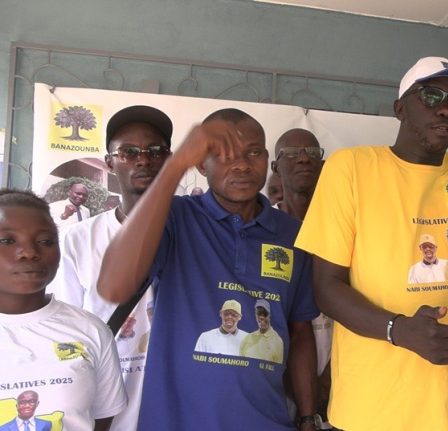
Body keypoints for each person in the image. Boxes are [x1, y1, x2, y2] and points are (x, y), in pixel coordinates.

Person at [295, 56, 448, 431]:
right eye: (432, 96)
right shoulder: (350, 169)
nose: (447, 109)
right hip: (371, 410)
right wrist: (398, 329)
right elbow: (326, 288)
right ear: (400, 109)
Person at [97, 108, 319, 430]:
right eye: (225, 155)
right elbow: (113, 287)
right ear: (201, 164)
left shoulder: (291, 234)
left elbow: (300, 331)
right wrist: (175, 166)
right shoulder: (175, 217)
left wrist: (309, 415)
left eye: (253, 152)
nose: (242, 165)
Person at [45, 104, 173, 431]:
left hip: (179, 407)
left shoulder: (194, 234)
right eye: (128, 152)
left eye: (155, 151)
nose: (143, 160)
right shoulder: (77, 240)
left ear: (170, 160)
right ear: (109, 163)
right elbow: (67, 335)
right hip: (108, 412)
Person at [0, 190, 126, 431]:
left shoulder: (91, 330)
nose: (29, 252)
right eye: (7, 241)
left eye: (45, 241)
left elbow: (102, 419)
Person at [270, 127, 332, 428]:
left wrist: (328, 380)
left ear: (323, 164)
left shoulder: (343, 227)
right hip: (275, 385)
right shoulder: (263, 230)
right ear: (275, 166)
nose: (304, 159)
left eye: (312, 153)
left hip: (340, 381)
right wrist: (297, 385)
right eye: (292, 153)